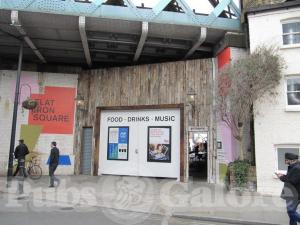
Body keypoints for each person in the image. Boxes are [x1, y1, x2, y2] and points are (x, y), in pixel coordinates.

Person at [276, 152, 300, 225]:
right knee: (291, 214)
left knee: (290, 211)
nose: (285, 162)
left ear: (292, 160)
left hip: (294, 194)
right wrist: (283, 175)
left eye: (286, 160)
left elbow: (292, 180)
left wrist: (280, 177)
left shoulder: (297, 168)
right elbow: (291, 177)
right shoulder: (294, 166)